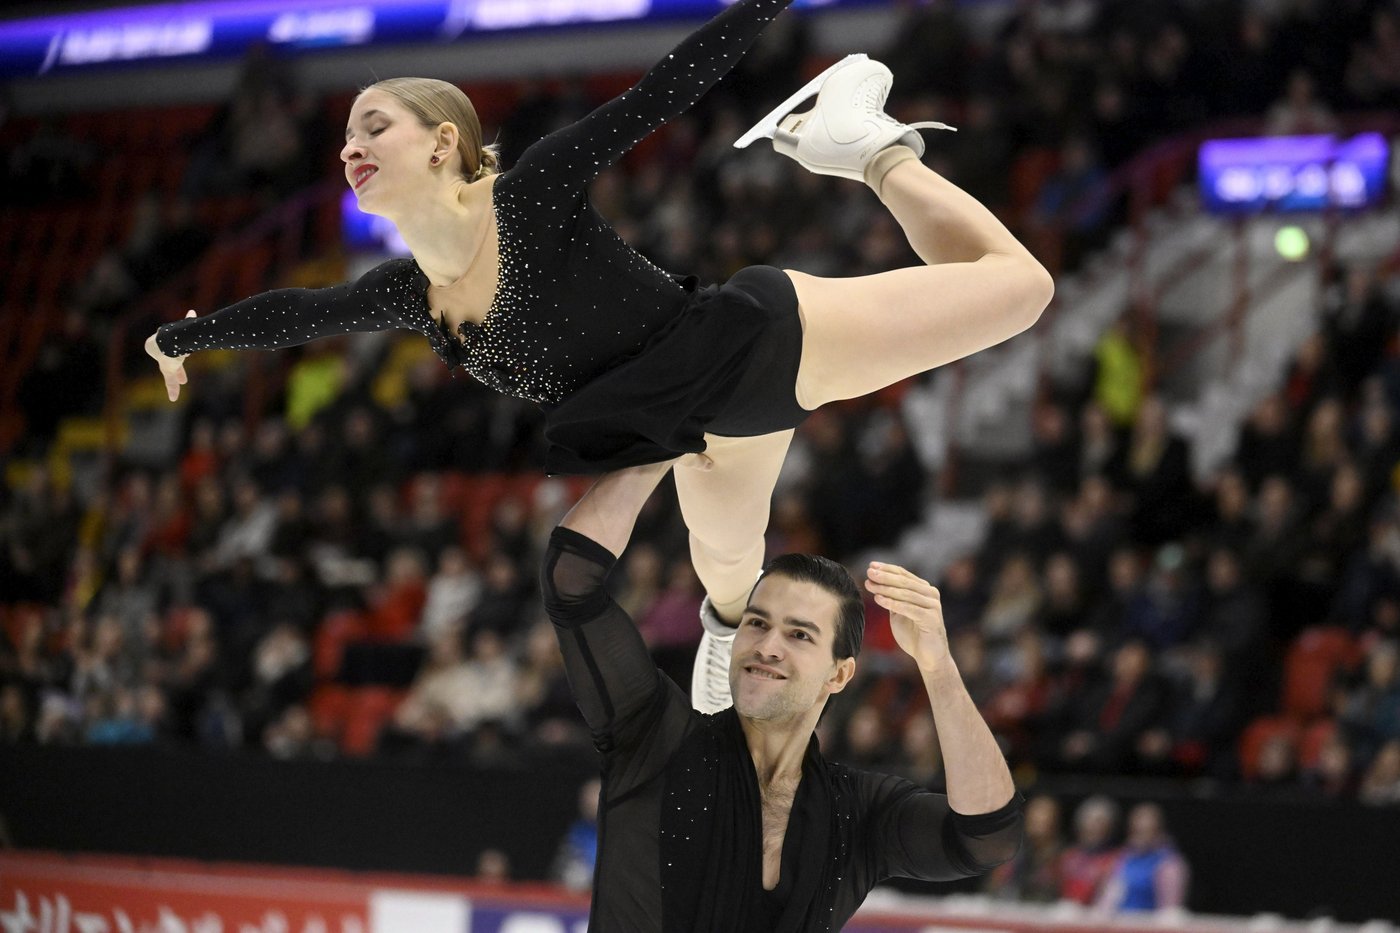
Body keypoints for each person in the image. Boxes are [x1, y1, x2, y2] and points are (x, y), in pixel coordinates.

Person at [145, 0, 1053, 709]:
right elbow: (298, 312)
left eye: (374, 124)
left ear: (443, 142)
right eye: (345, 135)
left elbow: (661, 90)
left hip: (756, 346)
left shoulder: (528, 193)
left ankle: (865, 152)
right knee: (729, 564)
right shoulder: (407, 295)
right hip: (690, 425)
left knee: (1023, 289)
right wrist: (181, 337)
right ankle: (721, 631)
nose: (351, 145)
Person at [538, 458, 1023, 930]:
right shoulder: (655, 737)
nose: (767, 646)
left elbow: (988, 836)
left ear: (839, 675)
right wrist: (656, 450)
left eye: (799, 635)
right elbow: (571, 582)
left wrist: (938, 668)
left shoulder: (855, 813)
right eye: (757, 623)